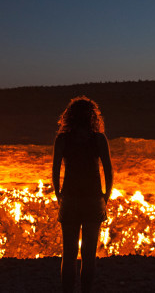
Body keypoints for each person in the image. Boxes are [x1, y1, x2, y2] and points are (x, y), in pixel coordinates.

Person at [52, 96, 113, 293]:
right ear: (92, 117)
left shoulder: (62, 139)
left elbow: (55, 172)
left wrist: (58, 194)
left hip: (70, 199)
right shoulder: (99, 139)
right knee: (89, 255)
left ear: (69, 117)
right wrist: (105, 196)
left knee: (68, 255)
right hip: (93, 200)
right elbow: (109, 171)